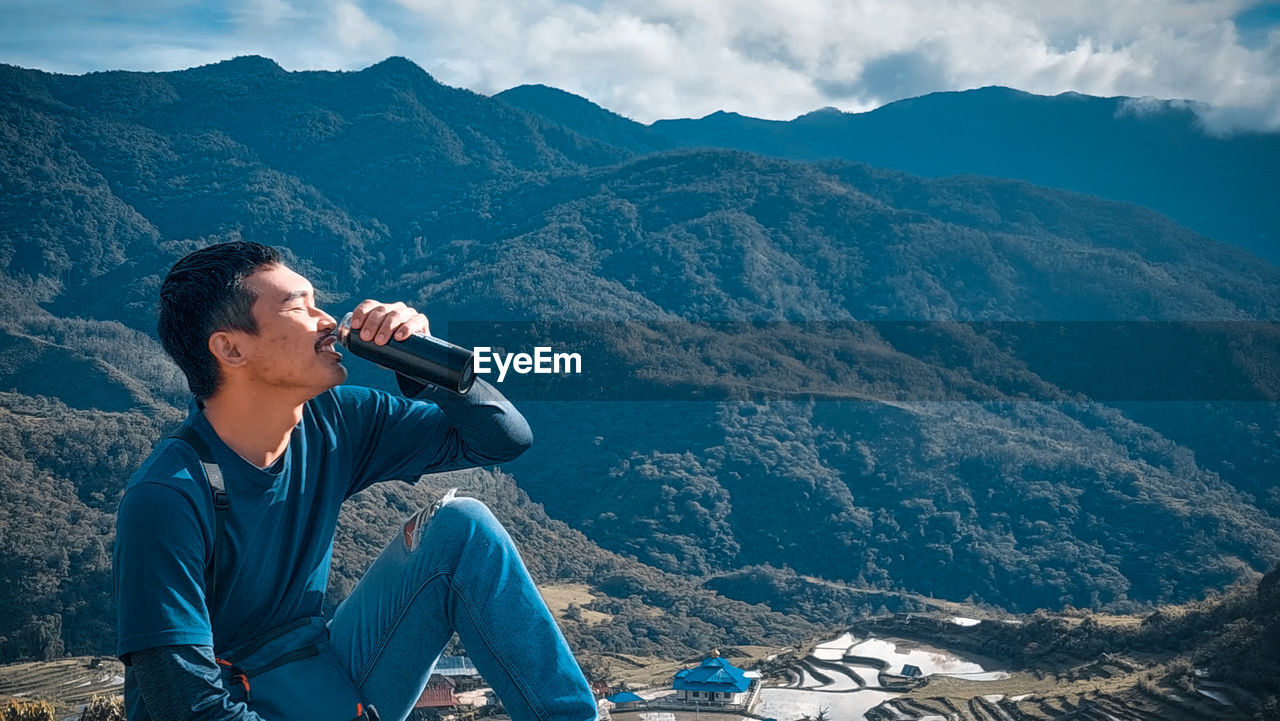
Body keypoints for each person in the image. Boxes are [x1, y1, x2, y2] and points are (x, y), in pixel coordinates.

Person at [112, 241, 597, 721]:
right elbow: (187, 707)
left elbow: (503, 439)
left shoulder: (335, 421)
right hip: (234, 704)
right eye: (299, 307)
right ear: (231, 348)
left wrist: (423, 366)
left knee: (461, 527)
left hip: (320, 677)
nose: (327, 321)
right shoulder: (167, 496)